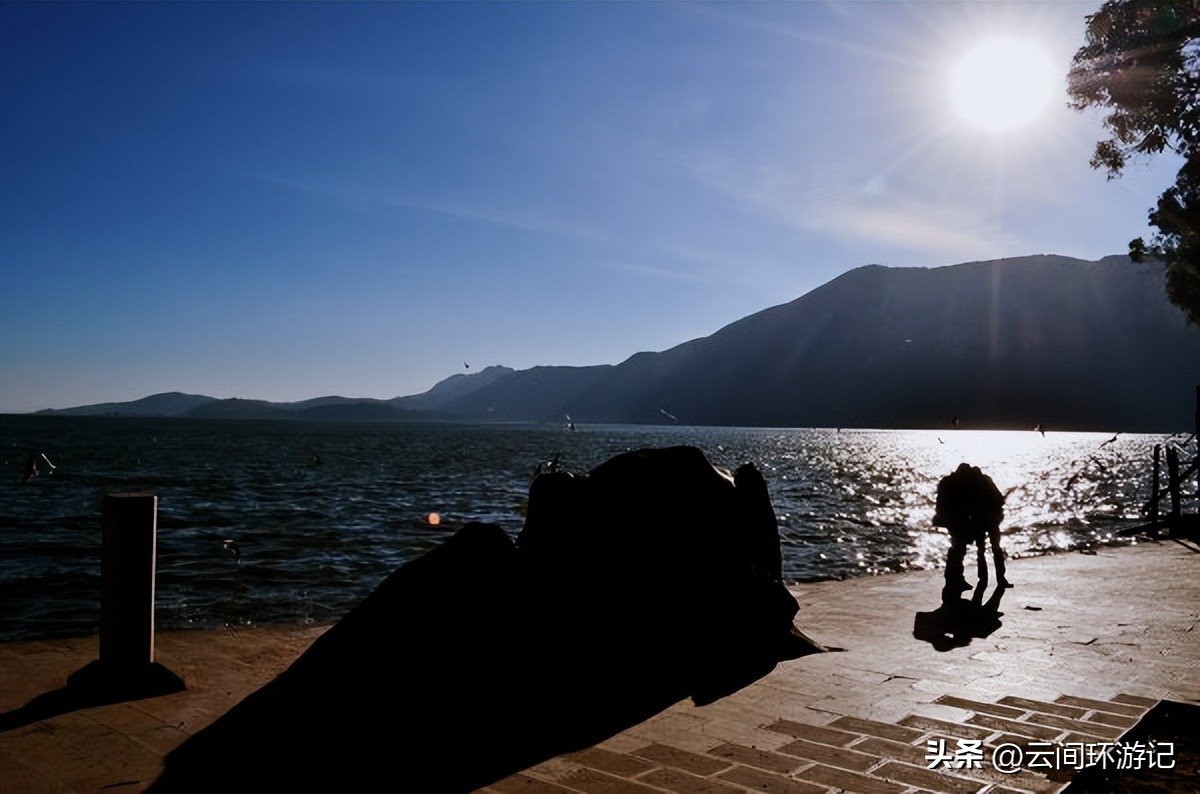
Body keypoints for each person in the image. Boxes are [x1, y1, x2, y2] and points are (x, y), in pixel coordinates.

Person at [933, 463, 1009, 597]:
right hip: (973, 520)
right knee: (967, 549)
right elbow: (997, 500)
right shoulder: (977, 482)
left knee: (963, 550)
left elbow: (950, 505)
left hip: (970, 520)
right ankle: (962, 580)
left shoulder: (953, 483)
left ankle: (960, 580)